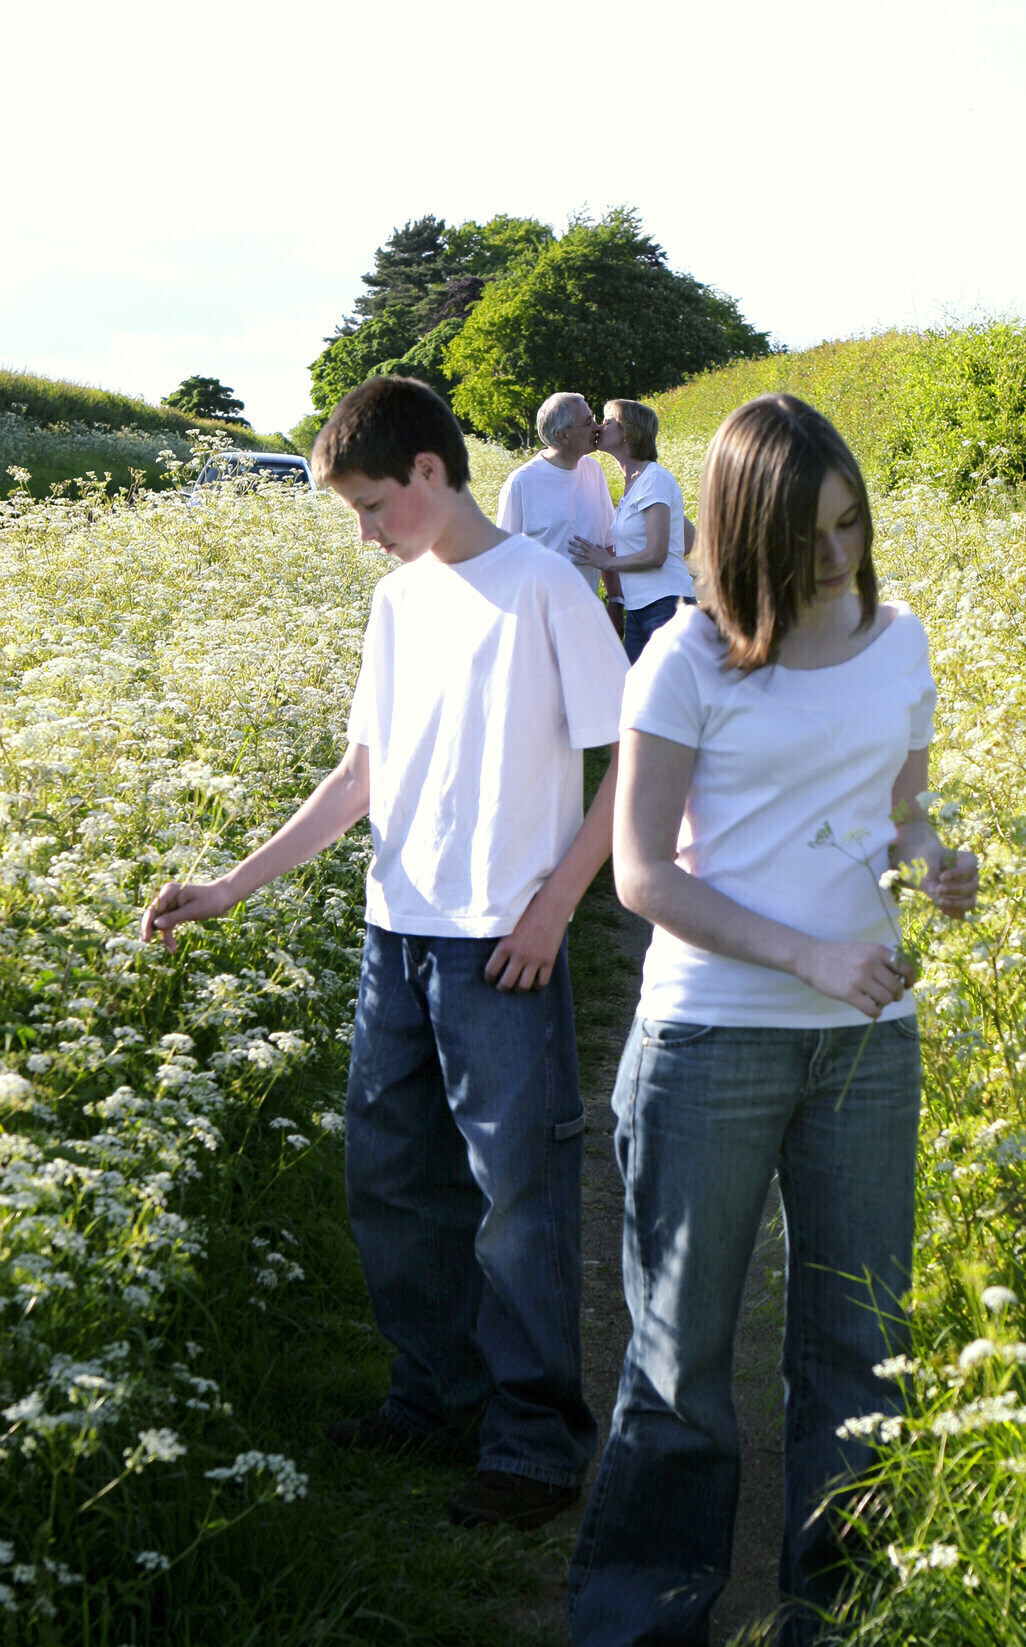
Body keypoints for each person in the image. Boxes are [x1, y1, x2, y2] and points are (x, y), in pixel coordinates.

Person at [140, 376, 630, 1533]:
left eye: (369, 505)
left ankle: (534, 1437)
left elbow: (625, 770)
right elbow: (360, 780)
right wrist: (228, 887)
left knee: (517, 1196)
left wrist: (558, 907)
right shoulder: (400, 604)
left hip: (503, 947)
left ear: (427, 472)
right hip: (393, 934)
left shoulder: (546, 590)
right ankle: (434, 1399)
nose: (362, 533)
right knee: (392, 1183)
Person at [566, 395, 979, 1647]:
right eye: (809, 535)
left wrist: (936, 863)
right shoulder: (683, 662)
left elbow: (900, 810)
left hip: (869, 1045)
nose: (839, 555)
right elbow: (639, 875)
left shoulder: (899, 637)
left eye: (852, 523)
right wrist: (806, 955)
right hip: (711, 1039)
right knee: (680, 1356)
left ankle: (838, 1639)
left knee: (859, 1351)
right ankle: (643, 1632)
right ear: (745, 534)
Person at [570, 400, 696, 664]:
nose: (600, 426)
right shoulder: (637, 483)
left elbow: (656, 555)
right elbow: (688, 538)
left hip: (665, 607)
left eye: (608, 421)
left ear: (628, 431)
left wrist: (607, 562)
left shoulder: (653, 479)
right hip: (639, 609)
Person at [496, 391, 624, 633]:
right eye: (588, 423)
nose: (597, 428)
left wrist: (616, 603)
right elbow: (504, 561)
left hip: (587, 620)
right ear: (562, 435)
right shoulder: (522, 482)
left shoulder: (593, 472)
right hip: (537, 623)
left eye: (593, 418)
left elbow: (608, 544)